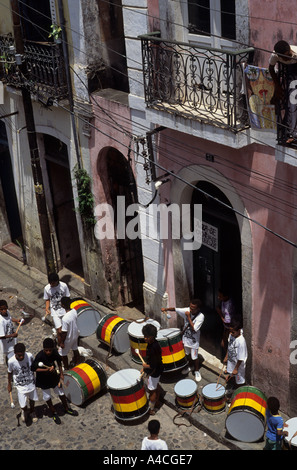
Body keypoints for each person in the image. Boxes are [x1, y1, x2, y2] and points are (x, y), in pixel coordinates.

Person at [31, 337, 78, 424]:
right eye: (46, 350)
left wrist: (61, 374)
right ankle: (53, 413)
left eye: (50, 350)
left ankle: (67, 408)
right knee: (47, 397)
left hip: (54, 377)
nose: (48, 352)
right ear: (43, 349)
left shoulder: (55, 352)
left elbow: (59, 362)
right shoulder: (39, 356)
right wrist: (46, 370)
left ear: (53, 349)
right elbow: (34, 368)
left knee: (61, 393)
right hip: (43, 380)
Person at [161, 298, 204, 382]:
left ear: (198, 309)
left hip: (194, 341)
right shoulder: (187, 310)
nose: (190, 309)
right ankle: (190, 366)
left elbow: (194, 328)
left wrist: (188, 317)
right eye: (190, 307)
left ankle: (196, 370)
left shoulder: (201, 316)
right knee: (187, 354)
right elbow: (176, 309)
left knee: (194, 356)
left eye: (193, 308)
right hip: (186, 338)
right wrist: (165, 309)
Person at [269, 40, 297, 143]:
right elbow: (271, 69)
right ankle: (292, 133)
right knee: (292, 102)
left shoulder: (295, 53)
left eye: (288, 55)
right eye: (284, 57)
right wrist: (277, 86)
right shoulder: (275, 56)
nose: (287, 58)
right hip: (290, 73)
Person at [7, 342, 39, 423]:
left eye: (22, 355)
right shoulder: (11, 361)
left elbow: (34, 366)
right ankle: (24, 411)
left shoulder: (29, 356)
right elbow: (10, 372)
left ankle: (32, 412)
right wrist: (9, 384)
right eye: (19, 355)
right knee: (23, 404)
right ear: (15, 353)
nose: (21, 357)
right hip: (20, 385)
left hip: (31, 382)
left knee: (32, 399)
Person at [141, 323, 164, 415]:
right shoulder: (155, 343)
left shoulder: (152, 348)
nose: (145, 338)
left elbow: (152, 365)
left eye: (147, 336)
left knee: (152, 391)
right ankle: (157, 402)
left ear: (152, 336)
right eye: (144, 336)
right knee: (156, 385)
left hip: (154, 371)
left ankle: (151, 408)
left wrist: (144, 366)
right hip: (159, 369)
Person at [223, 321, 248, 400]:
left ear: (239, 331)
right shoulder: (231, 336)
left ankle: (238, 395)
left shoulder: (241, 342)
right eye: (230, 331)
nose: (230, 333)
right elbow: (229, 347)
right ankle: (234, 388)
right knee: (232, 376)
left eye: (233, 332)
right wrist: (226, 356)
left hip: (238, 366)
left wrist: (236, 368)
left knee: (239, 381)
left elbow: (241, 358)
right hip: (231, 362)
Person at [43, 272, 70, 341]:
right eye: (50, 283)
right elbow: (47, 299)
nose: (51, 285)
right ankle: (60, 342)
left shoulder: (64, 286)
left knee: (65, 329)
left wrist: (68, 310)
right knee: (59, 329)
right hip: (54, 311)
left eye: (53, 283)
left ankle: (63, 341)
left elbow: (67, 297)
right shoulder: (47, 288)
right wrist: (47, 308)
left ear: (57, 281)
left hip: (64, 310)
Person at [58, 297, 80, 370]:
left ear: (63, 305)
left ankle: (66, 367)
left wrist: (62, 342)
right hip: (75, 334)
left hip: (68, 338)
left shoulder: (65, 318)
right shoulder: (74, 311)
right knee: (75, 348)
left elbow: (64, 333)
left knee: (63, 354)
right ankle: (77, 363)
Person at [0, 299, 21, 365]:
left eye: (5, 308)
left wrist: (17, 320)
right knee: (10, 359)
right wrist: (12, 335)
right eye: (2, 309)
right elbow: (1, 336)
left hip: (12, 341)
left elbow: (10, 318)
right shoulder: (1, 321)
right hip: (7, 345)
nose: (4, 311)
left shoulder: (7, 312)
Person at [216, 288, 236, 353]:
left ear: (226, 296)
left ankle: (227, 357)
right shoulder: (224, 301)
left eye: (220, 296)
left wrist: (220, 314)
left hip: (229, 326)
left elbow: (226, 321)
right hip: (226, 326)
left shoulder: (229, 305)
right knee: (224, 343)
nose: (218, 297)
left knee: (225, 343)